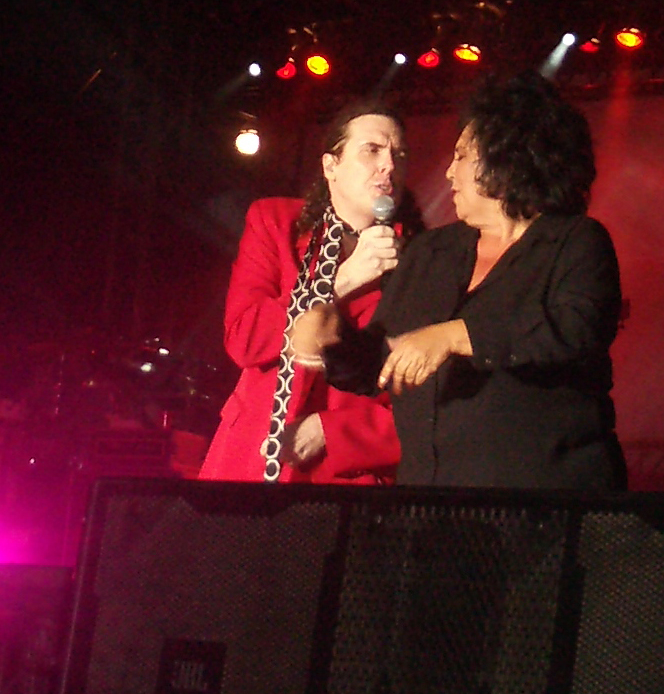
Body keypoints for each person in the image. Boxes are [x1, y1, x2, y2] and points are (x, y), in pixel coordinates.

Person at [293, 69, 626, 490]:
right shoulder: (430, 252)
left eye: (462, 156)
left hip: (546, 499)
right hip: (432, 500)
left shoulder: (576, 241)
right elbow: (383, 360)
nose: (450, 172)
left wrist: (455, 335)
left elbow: (576, 328)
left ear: (508, 157)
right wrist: (331, 341)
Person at [199, 98, 421, 484]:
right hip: (252, 459)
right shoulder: (275, 223)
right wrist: (342, 281)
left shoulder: (420, 259)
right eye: (372, 150)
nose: (388, 164)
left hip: (345, 476)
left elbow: (428, 406)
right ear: (330, 166)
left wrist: (331, 431)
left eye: (398, 155)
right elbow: (245, 339)